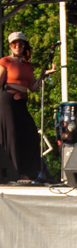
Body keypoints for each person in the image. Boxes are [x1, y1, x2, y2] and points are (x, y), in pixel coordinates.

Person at [0, 31, 54, 180]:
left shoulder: (28, 65)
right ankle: (13, 172)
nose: (18, 47)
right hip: (9, 100)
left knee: (31, 135)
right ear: (11, 46)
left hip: (22, 102)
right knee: (12, 136)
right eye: (14, 44)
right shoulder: (5, 61)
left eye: (20, 44)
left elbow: (33, 87)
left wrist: (45, 74)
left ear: (24, 46)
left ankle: (27, 172)